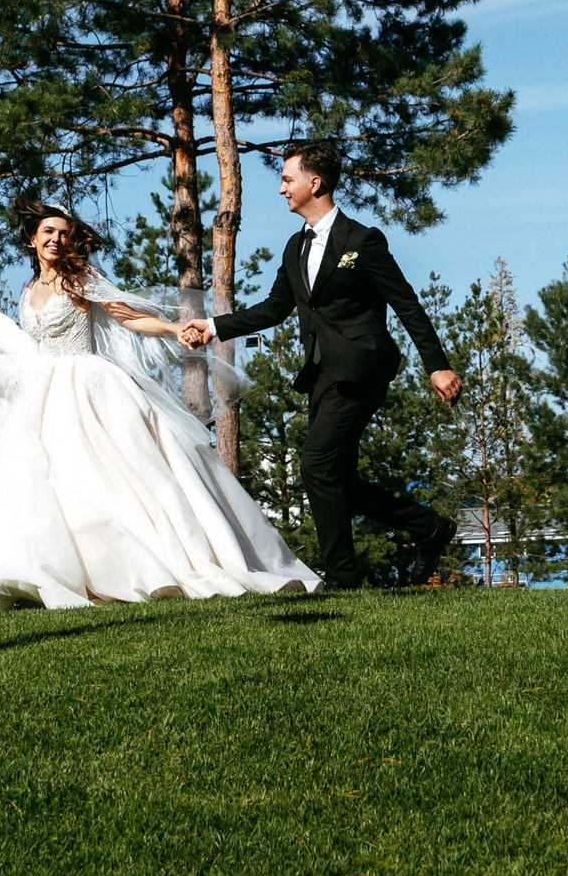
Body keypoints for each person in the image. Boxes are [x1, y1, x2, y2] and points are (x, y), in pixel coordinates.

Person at [0, 197, 321, 612]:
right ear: (31, 240)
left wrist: (172, 329)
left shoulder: (79, 278)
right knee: (53, 484)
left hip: (87, 387)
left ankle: (154, 566)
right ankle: (74, 575)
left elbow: (126, 315)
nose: (56, 238)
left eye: (63, 233)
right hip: (41, 396)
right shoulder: (28, 290)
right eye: (47, 232)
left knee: (118, 478)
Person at [180, 141, 461, 590]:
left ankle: (343, 576)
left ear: (316, 183)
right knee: (336, 475)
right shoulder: (295, 247)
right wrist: (213, 326)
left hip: (362, 368)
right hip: (322, 374)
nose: (280, 189)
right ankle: (427, 527)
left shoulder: (362, 240)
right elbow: (274, 309)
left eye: (287, 179)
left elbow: (407, 304)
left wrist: (437, 366)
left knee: (315, 466)